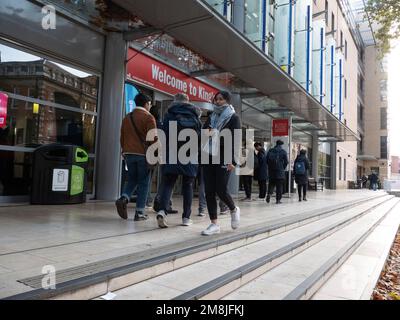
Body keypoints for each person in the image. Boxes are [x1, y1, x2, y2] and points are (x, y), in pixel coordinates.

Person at [155, 93, 202, 228]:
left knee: (168, 183)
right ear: (188, 102)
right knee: (188, 185)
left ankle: (162, 211)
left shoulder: (169, 115)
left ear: (175, 101)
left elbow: (163, 135)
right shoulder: (195, 116)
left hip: (172, 153)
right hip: (190, 154)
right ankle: (186, 218)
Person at [201, 91, 241, 236]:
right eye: (216, 99)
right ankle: (214, 223)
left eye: (221, 99)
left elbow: (236, 139)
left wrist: (234, 160)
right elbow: (203, 134)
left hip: (224, 157)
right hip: (208, 156)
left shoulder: (233, 118)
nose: (217, 102)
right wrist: (208, 132)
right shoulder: (211, 117)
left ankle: (233, 209)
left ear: (228, 101)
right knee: (209, 191)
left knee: (221, 189)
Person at [115, 93, 157, 221]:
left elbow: (122, 137)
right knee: (144, 182)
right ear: (146, 104)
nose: (150, 106)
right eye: (149, 104)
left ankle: (124, 198)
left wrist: (124, 151)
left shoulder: (127, 117)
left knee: (132, 179)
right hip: (143, 155)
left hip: (128, 154)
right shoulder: (149, 117)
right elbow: (153, 138)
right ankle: (139, 212)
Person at [266, 140, 288, 204]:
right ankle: (278, 200)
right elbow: (286, 162)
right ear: (281, 145)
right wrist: (282, 168)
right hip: (280, 172)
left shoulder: (271, 150)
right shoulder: (283, 151)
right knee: (279, 186)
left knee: (271, 184)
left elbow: (267, 160)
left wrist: (270, 167)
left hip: (271, 171)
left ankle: (269, 194)